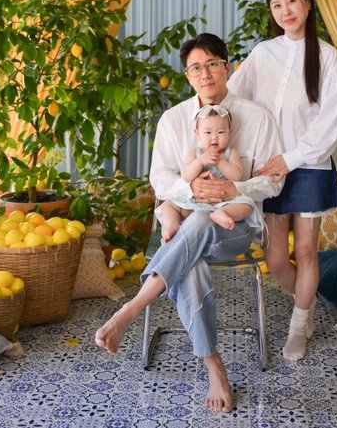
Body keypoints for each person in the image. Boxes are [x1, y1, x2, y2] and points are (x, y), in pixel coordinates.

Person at [95, 33, 282, 413]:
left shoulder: (258, 117)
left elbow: (274, 182)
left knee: (195, 228)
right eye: (196, 68)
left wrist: (233, 186)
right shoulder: (174, 119)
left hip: (234, 228)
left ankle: (133, 308)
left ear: (227, 68)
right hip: (187, 221)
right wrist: (190, 187)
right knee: (191, 256)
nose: (205, 74)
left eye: (212, 64)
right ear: (187, 75)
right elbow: (160, 179)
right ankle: (214, 366)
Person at [228, 0, 337, 363]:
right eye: (277, 5)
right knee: (276, 259)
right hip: (269, 167)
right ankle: (306, 303)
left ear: (307, 4)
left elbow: (330, 122)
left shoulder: (328, 57)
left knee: (308, 251)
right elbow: (233, 100)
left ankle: (298, 326)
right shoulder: (263, 54)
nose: (285, 11)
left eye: (292, 1)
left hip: (310, 165)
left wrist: (291, 158)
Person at [158, 104, 263, 241]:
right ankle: (172, 225)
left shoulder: (230, 153)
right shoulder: (195, 154)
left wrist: (220, 162)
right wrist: (200, 162)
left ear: (230, 132)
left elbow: (236, 175)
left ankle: (223, 214)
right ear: (197, 134)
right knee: (168, 205)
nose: (214, 137)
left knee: (247, 206)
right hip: (195, 203)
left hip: (224, 202)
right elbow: (186, 176)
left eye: (220, 132)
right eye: (207, 133)